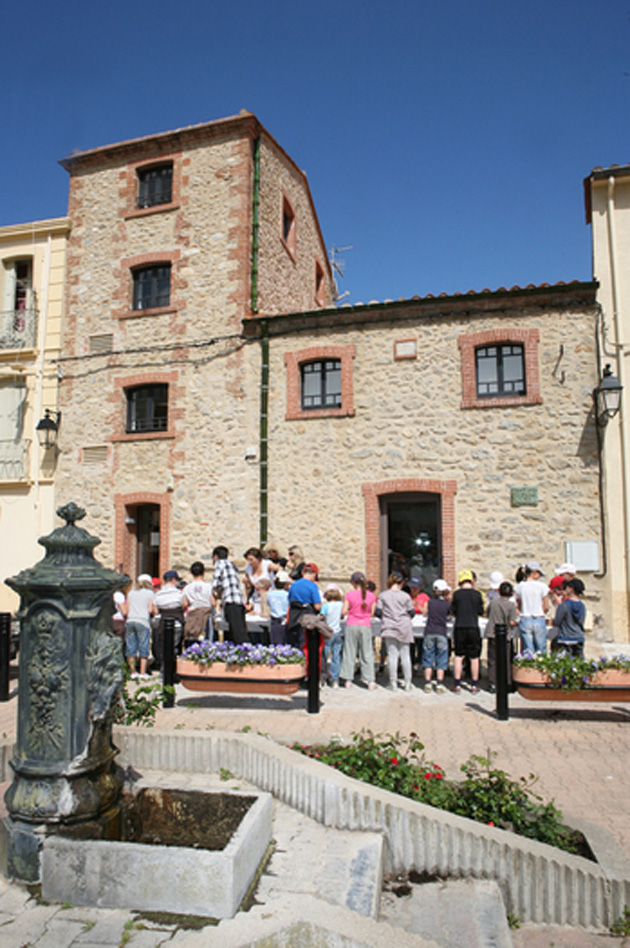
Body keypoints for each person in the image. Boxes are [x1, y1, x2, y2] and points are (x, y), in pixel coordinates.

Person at [375, 573, 415, 691]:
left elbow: (377, 612)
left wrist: (386, 616)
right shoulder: (405, 596)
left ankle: (393, 683)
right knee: (405, 655)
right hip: (404, 625)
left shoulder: (383, 595)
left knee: (392, 655)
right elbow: (411, 612)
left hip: (389, 625)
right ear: (401, 583)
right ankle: (408, 683)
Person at [340, 571, 377, 690]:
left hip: (352, 623)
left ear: (354, 583)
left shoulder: (349, 595)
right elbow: (372, 613)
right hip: (365, 624)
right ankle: (370, 680)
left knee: (349, 651)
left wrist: (351, 611)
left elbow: (343, 611)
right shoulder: (371, 596)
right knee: (367, 652)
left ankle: (348, 680)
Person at [450, 569, 484, 693]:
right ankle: (474, 684)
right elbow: (481, 611)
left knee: (458, 656)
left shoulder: (457, 594)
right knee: (474, 657)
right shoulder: (477, 594)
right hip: (473, 626)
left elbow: (453, 611)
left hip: (459, 627)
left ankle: (457, 683)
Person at [120, 573, 155, 679]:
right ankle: (142, 673)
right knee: (143, 647)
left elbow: (127, 609)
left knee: (131, 647)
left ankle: (132, 672)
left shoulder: (131, 593)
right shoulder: (150, 593)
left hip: (131, 620)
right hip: (143, 620)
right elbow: (150, 609)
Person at [485, 580, 518, 692]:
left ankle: (492, 683)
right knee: (507, 660)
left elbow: (487, 613)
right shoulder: (511, 605)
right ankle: (507, 682)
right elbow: (512, 622)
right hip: (505, 634)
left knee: (492, 659)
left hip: (492, 632)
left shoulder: (493, 602)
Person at [211, 546, 248, 644]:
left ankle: (244, 653)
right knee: (239, 629)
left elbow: (216, 584)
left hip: (230, 601)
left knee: (237, 634)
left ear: (215, 556)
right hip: (239, 601)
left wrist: (216, 595)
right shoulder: (232, 565)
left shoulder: (219, 564)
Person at [422, 579, 451, 693]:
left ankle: (428, 682)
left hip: (430, 631)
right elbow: (449, 616)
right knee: (441, 659)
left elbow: (425, 613)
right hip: (441, 632)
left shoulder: (430, 603)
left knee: (428, 658)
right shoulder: (446, 604)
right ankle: (439, 683)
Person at [514, 560, 550, 654]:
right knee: (541, 649)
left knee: (528, 650)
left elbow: (518, 605)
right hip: (539, 616)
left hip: (525, 617)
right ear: (534, 572)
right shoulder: (542, 586)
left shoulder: (519, 587)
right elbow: (546, 606)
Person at [153, 569, 185, 666]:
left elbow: (155, 610)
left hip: (162, 622)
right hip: (177, 622)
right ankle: (173, 669)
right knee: (174, 647)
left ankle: (164, 669)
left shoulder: (158, 594)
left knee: (164, 647)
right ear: (174, 580)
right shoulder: (179, 593)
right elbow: (184, 605)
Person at [287, 563, 321, 648]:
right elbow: (317, 606)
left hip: (294, 617)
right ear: (314, 574)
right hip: (307, 618)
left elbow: (290, 600)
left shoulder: (293, 585)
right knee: (306, 645)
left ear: (303, 573)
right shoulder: (312, 586)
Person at [552, 578, 586, 656]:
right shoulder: (582, 606)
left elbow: (557, 622)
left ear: (571, 589)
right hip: (579, 637)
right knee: (579, 663)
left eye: (566, 588)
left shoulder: (564, 605)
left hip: (565, 638)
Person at [182, 561, 214, 645]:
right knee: (206, 641)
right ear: (204, 572)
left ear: (191, 573)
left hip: (193, 614)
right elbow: (213, 603)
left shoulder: (187, 587)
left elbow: (185, 604)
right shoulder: (208, 586)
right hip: (205, 615)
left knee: (191, 640)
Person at [321, 584, 344, 687]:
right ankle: (335, 679)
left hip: (328, 631)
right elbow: (343, 615)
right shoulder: (341, 604)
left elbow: (321, 616)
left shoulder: (326, 606)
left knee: (325, 655)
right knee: (336, 656)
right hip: (338, 631)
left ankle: (323, 676)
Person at [267, 569, 291, 644]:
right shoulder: (287, 595)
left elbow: (269, 604)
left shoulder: (270, 594)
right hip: (285, 620)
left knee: (276, 643)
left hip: (275, 621)